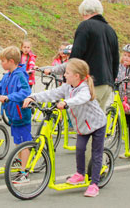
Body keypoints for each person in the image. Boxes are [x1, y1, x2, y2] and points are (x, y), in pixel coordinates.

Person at [23, 59, 106, 197]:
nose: (64, 75)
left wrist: (66, 102)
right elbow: (51, 93)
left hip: (97, 124)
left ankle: (94, 184)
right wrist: (33, 97)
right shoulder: (67, 87)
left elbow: (81, 98)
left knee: (96, 154)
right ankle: (80, 173)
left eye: (67, 73)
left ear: (76, 76)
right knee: (79, 149)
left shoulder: (84, 88)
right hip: (82, 126)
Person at [0, 46, 33, 183]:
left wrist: (9, 97)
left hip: (22, 114)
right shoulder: (7, 75)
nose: (1, 63)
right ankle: (20, 162)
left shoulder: (20, 75)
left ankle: (24, 173)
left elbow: (25, 92)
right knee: (17, 141)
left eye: (2, 61)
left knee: (24, 143)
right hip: (13, 115)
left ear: (11, 61)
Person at [66, 0, 119, 110]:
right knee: (98, 122)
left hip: (91, 83)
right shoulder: (111, 30)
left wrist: (68, 76)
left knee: (86, 122)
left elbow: (76, 55)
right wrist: (111, 80)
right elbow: (115, 60)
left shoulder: (85, 26)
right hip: (107, 83)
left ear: (84, 12)